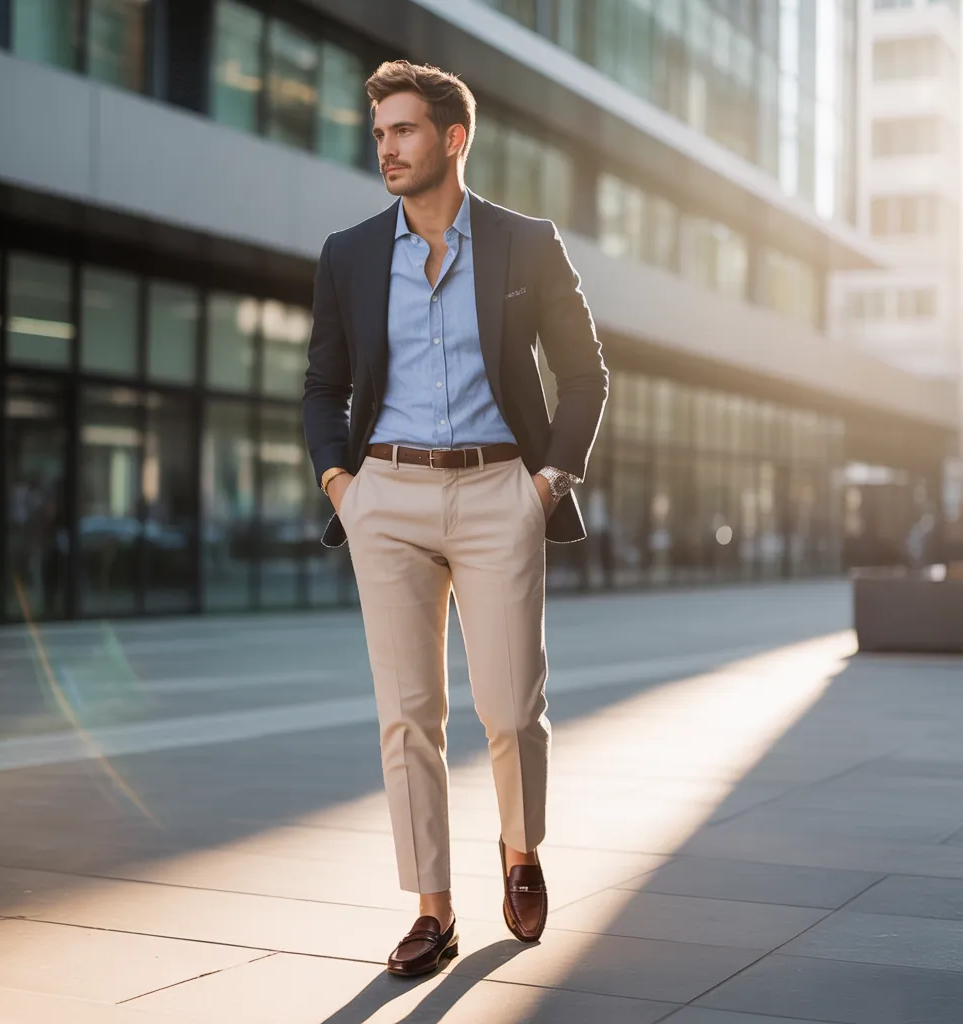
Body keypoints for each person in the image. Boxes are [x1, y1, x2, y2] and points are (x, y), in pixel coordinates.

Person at [302, 60, 608, 977]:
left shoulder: (526, 244)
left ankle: (519, 849)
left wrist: (546, 483)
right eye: (379, 134)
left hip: (497, 491)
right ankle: (432, 912)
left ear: (453, 138)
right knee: (408, 716)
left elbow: (585, 374)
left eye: (403, 130)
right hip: (386, 497)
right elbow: (323, 385)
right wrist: (342, 486)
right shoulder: (350, 253)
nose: (386, 149)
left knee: (512, 708)